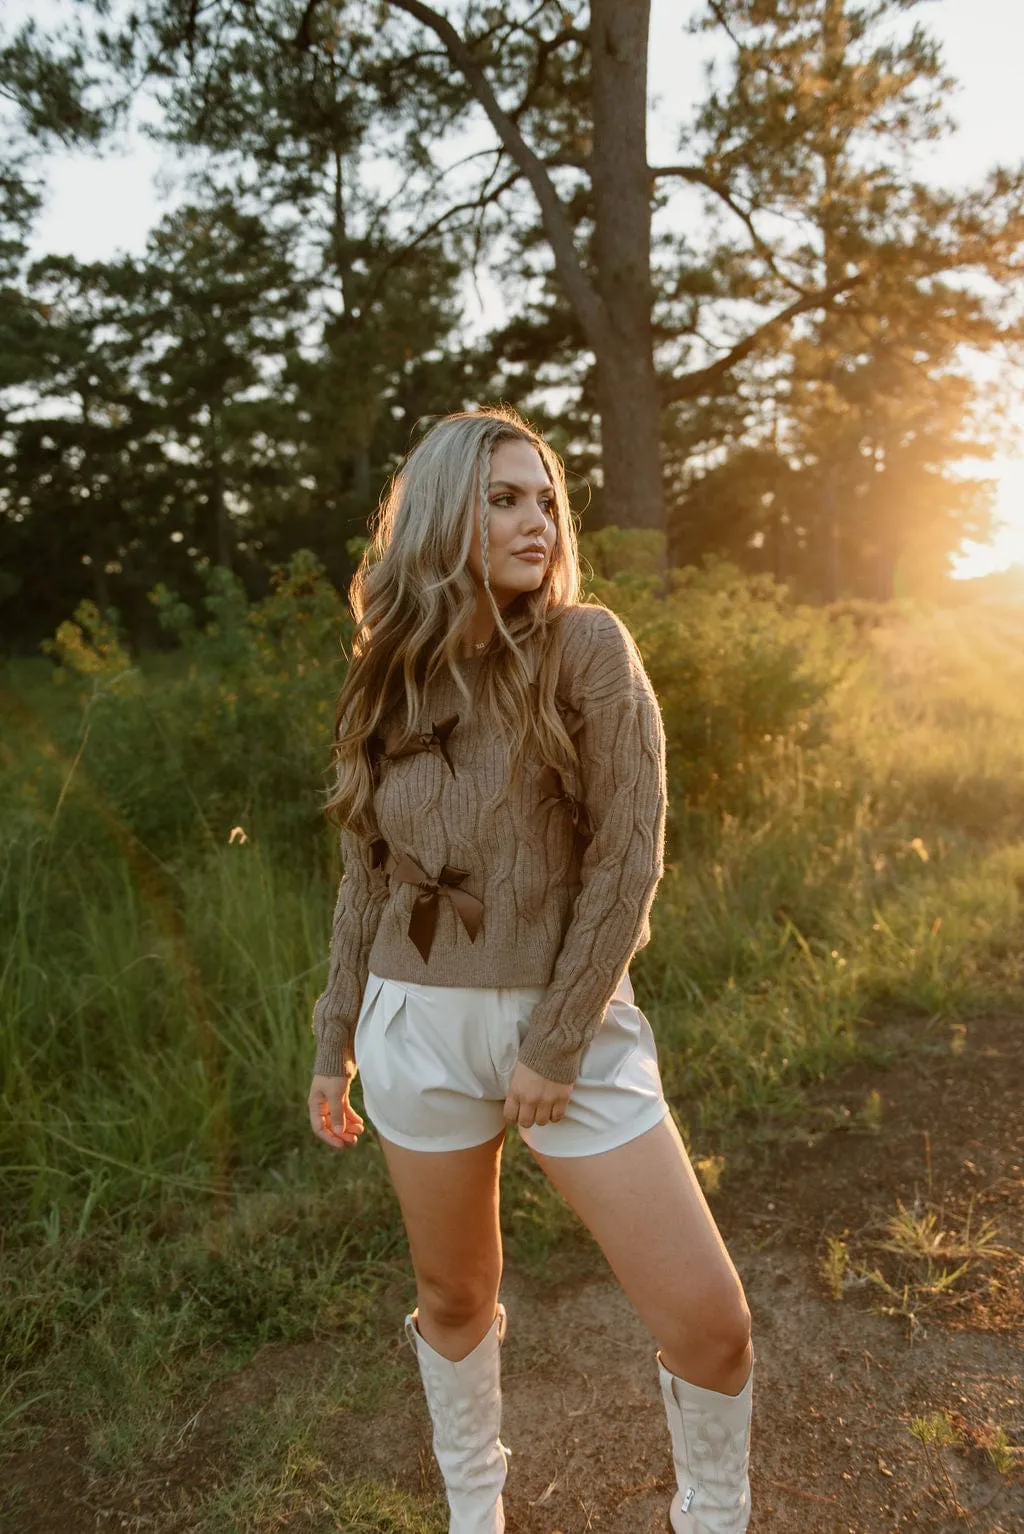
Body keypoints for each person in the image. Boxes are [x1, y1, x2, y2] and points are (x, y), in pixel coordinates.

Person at [306, 406, 754, 1534]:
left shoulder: (585, 646)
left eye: (545, 498)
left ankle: (712, 1516)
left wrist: (555, 1040)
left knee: (710, 1320)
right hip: (414, 1029)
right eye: (504, 498)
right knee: (454, 1292)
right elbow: (366, 873)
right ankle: (476, 1512)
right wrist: (335, 1035)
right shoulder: (384, 675)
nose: (537, 520)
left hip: (572, 1030)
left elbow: (628, 851)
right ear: (444, 515)